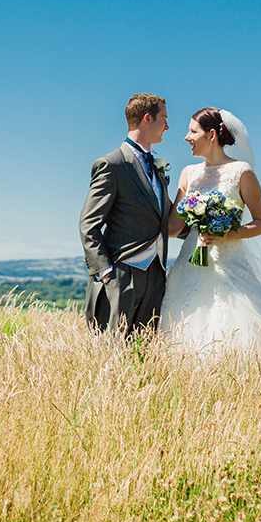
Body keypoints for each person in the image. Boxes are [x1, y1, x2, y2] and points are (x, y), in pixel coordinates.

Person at [159, 107, 261, 351]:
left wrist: (228, 234)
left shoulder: (241, 172)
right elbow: (172, 228)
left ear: (211, 135)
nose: (186, 137)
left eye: (192, 131)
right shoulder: (188, 174)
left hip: (230, 262)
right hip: (191, 263)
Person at [79, 93, 173, 340]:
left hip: (156, 274)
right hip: (121, 274)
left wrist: (212, 228)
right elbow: (89, 224)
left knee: (145, 353)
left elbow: (167, 218)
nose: (167, 126)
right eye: (163, 119)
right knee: (112, 356)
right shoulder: (112, 164)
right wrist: (106, 272)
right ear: (147, 118)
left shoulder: (158, 167)